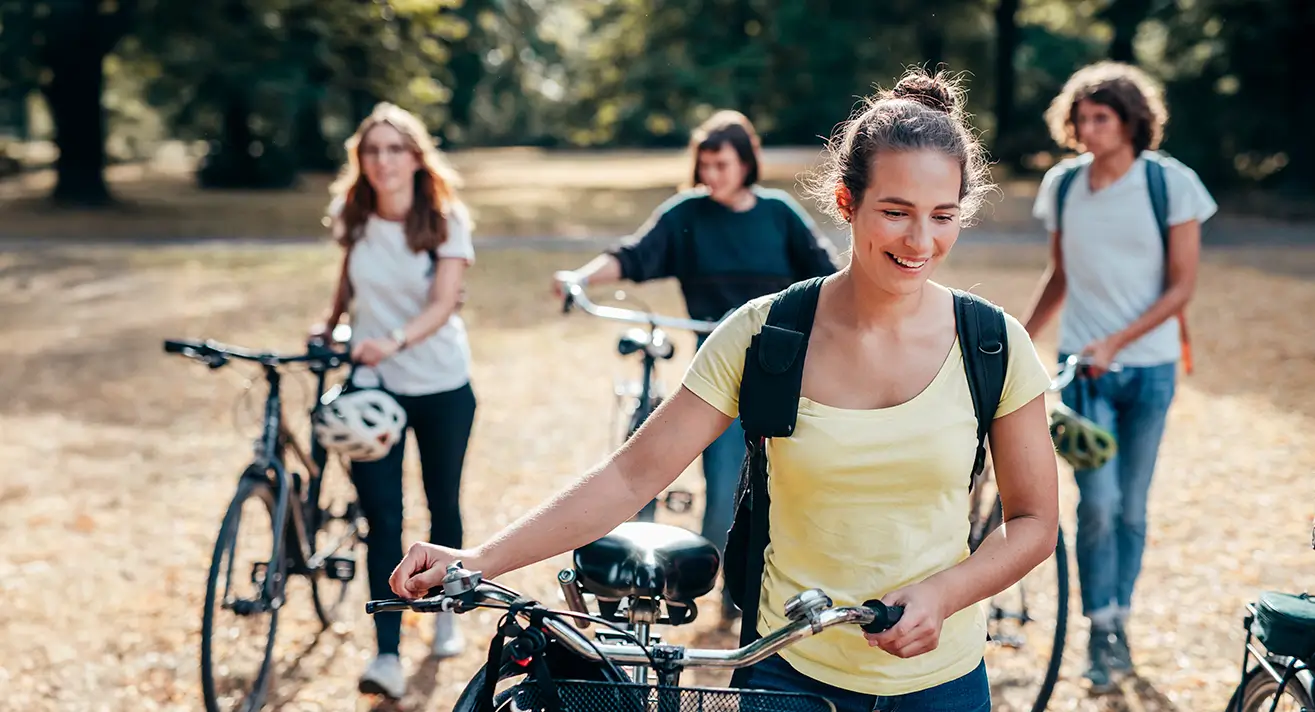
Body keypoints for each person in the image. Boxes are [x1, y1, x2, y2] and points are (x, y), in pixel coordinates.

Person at [394, 69, 1061, 712]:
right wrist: (481, 559)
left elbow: (1032, 521)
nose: (921, 241)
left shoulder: (991, 344)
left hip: (941, 687)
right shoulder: (762, 333)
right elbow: (631, 476)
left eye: (942, 216)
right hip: (788, 676)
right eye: (895, 212)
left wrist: (945, 593)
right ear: (845, 202)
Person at [551, 109, 840, 621]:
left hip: (779, 370)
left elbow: (828, 276)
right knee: (694, 466)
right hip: (713, 370)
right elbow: (634, 255)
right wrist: (580, 277)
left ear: (746, 161)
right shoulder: (686, 214)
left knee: (747, 481)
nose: (711, 175)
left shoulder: (778, 214)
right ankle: (666, 576)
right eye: (704, 164)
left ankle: (738, 590)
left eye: (721, 164)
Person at [1021, 60, 1217, 691]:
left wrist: (1120, 340)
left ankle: (1118, 623)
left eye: (1101, 116)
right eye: (1081, 116)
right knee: (1098, 504)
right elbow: (1060, 276)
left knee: (1132, 507)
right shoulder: (1064, 185)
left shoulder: (1171, 185)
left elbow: (1181, 286)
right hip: (1084, 372)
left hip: (1151, 371)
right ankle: (1098, 626)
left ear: (1132, 120)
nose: (1088, 127)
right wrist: (1021, 340)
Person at [314, 102, 479, 700]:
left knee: (442, 506)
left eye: (393, 149)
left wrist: (395, 341)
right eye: (371, 150)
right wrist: (331, 323)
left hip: (440, 383)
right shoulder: (353, 213)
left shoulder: (445, 218)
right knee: (382, 516)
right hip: (373, 391)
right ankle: (385, 652)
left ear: (415, 157)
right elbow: (349, 277)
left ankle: (444, 615)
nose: (382, 161)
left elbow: (444, 301)